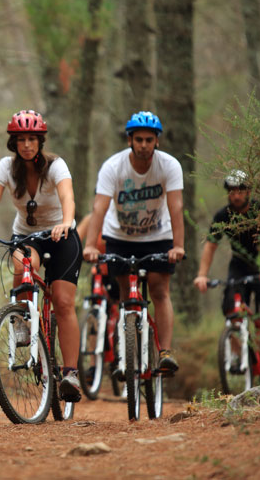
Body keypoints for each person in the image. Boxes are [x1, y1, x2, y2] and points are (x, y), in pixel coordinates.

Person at [0, 110, 83, 401]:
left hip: (61, 236)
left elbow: (68, 196)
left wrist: (66, 222)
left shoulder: (55, 165)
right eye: (21, 139)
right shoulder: (6, 167)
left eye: (32, 139)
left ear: (40, 141)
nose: (27, 145)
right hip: (28, 237)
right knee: (22, 263)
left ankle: (70, 373)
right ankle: (22, 324)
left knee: (64, 303)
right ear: (13, 143)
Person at [82, 111, 185, 373]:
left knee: (159, 289)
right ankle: (126, 354)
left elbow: (176, 207)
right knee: (126, 295)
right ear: (129, 140)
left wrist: (178, 246)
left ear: (157, 141)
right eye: (138, 139)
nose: (143, 145)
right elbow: (99, 208)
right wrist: (92, 245)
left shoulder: (169, 166)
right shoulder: (113, 167)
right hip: (120, 236)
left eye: (149, 140)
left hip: (157, 236)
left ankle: (165, 351)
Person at [193, 169, 260, 316]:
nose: (236, 196)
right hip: (239, 266)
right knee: (231, 309)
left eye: (240, 191)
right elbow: (210, 246)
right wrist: (202, 275)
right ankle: (236, 334)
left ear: (248, 192)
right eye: (232, 192)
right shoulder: (223, 216)